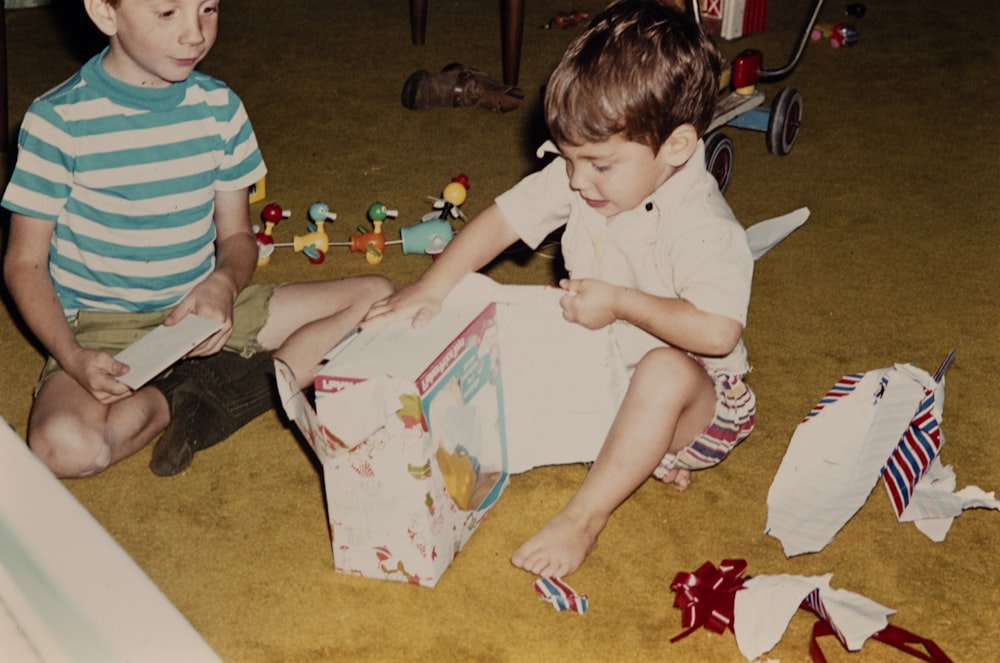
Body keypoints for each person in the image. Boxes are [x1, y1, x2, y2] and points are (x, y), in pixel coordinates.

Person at [365, 0, 755, 578]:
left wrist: (620, 302)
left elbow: (719, 332)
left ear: (676, 147)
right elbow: (501, 220)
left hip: (699, 402)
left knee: (663, 370)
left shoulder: (704, 227)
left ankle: (585, 517)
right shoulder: (587, 173)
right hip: (602, 365)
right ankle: (628, 451)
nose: (575, 179)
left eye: (597, 164)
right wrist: (433, 286)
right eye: (566, 156)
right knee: (498, 312)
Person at [1, 0, 393, 478]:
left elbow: (236, 236)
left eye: (208, 9)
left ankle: (231, 389)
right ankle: (180, 396)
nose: (195, 34)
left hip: (202, 312)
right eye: (168, 13)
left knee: (378, 299)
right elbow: (24, 263)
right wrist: (72, 357)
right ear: (105, 13)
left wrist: (225, 284)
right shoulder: (55, 121)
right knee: (63, 448)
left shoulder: (220, 109)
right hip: (97, 328)